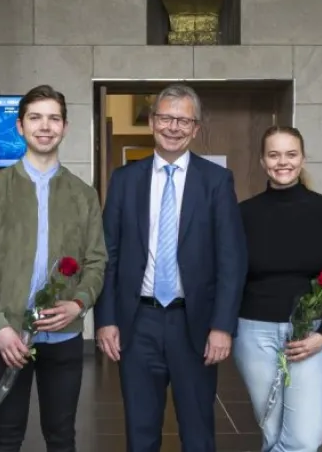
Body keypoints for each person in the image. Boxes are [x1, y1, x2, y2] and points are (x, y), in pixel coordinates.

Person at [95, 83, 248, 452]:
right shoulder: (124, 180)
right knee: (140, 431)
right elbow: (107, 255)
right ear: (152, 122)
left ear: (196, 128)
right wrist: (106, 319)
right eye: (166, 117)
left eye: (184, 120)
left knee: (198, 434)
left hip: (193, 324)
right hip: (138, 323)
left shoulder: (216, 181)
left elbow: (232, 259)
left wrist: (223, 327)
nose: (174, 127)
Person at [0, 85, 107, 452]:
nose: (45, 126)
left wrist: (78, 304)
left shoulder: (83, 194)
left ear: (65, 126)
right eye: (36, 117)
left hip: (64, 338)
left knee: (61, 437)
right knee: (6, 437)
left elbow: (96, 260)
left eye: (54, 118)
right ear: (20, 126)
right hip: (6, 338)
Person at [234, 126, 322, 452]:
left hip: (312, 335)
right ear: (262, 161)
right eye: (274, 155)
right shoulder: (244, 214)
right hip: (254, 333)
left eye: (291, 154)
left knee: (302, 439)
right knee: (273, 435)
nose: (282, 162)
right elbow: (231, 276)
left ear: (302, 159)